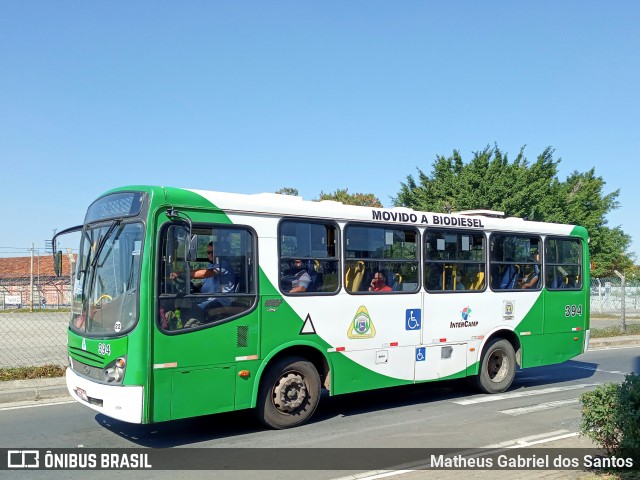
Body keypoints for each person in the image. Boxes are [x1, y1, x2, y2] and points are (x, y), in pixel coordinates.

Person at [171, 241, 237, 312]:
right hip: (207, 298)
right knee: (184, 305)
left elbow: (205, 273)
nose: (211, 255)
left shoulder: (223, 264)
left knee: (195, 309)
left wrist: (183, 275)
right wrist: (195, 285)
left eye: (213, 252)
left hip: (220, 300)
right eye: (209, 252)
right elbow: (202, 273)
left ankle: (193, 322)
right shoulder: (211, 265)